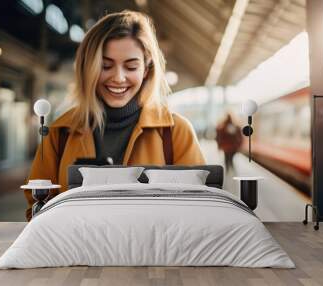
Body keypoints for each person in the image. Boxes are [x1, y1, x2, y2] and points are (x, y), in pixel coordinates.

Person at [24, 11, 206, 221]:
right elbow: (37, 211)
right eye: (105, 65)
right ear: (87, 67)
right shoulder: (59, 133)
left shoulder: (176, 132)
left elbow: (197, 209)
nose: (119, 78)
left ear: (146, 70)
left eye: (131, 66)